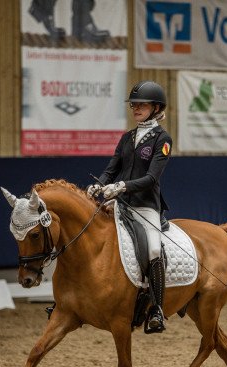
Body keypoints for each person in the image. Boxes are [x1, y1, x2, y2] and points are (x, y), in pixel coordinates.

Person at [87, 80, 173, 334]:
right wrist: (98, 186)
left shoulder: (162, 138)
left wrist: (122, 186)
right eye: (134, 105)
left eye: (141, 105)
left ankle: (157, 309)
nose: (135, 108)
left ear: (156, 108)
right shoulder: (127, 138)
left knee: (155, 250)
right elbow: (111, 169)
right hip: (119, 203)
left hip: (145, 206)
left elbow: (151, 178)